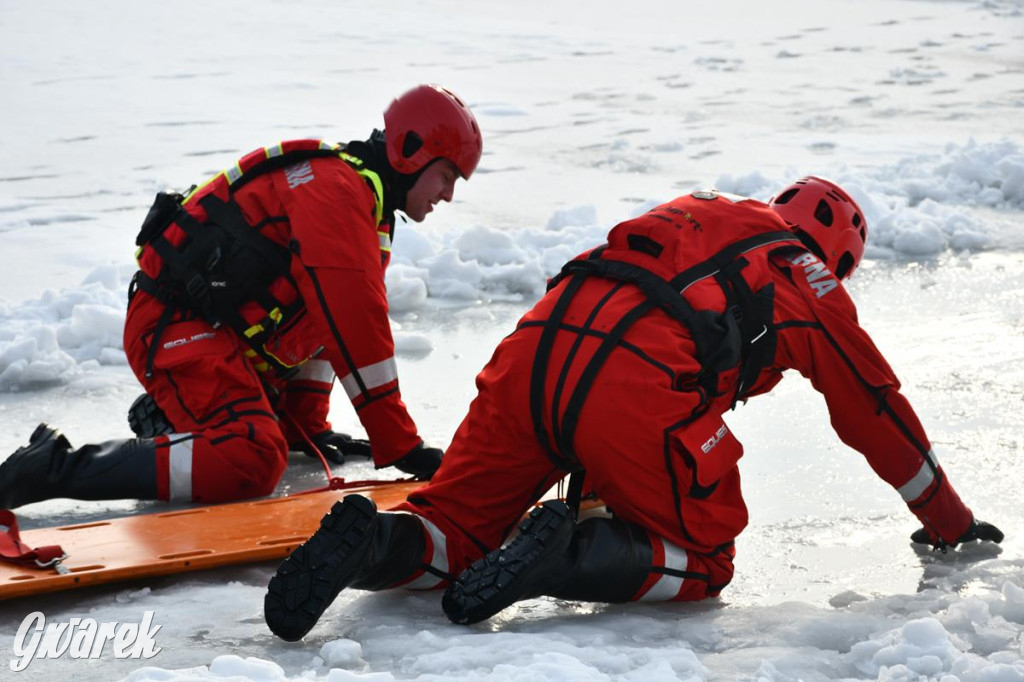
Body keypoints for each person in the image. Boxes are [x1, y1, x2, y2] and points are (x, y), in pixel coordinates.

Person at [262, 177, 1003, 641]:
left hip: (530, 354)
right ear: (838, 260)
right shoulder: (805, 276)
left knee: (453, 527)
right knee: (707, 557)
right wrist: (949, 520)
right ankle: (561, 557)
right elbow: (873, 407)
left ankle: (373, 543)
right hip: (635, 385)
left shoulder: (698, 210)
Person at [0, 84, 483, 509]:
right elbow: (352, 326)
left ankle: (177, 421)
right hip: (173, 325)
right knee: (251, 458)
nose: (447, 195)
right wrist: (400, 444)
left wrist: (306, 426)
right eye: (446, 176)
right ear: (411, 150)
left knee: (271, 438)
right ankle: (54, 466)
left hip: (214, 333)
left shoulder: (364, 202)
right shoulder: (335, 192)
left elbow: (318, 327)